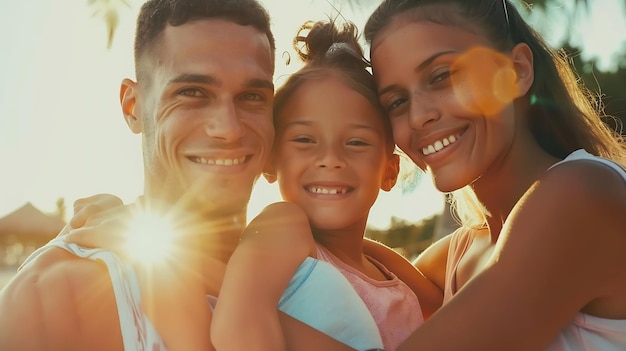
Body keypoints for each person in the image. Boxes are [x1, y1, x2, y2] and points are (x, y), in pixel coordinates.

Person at [0, 0, 383, 350]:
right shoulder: (54, 299)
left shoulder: (326, 264)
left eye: (252, 97)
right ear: (133, 106)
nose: (229, 128)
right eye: (192, 93)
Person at [362, 0, 626, 349]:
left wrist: (263, 302)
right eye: (396, 102)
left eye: (441, 76)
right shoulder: (462, 252)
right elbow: (347, 266)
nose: (417, 117)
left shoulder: (581, 194)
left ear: (516, 70)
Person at [211, 19, 442, 351]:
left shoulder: (386, 266)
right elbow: (237, 327)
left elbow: (452, 309)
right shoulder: (283, 226)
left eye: (357, 142)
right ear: (271, 160)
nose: (330, 159)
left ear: (389, 172)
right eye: (305, 139)